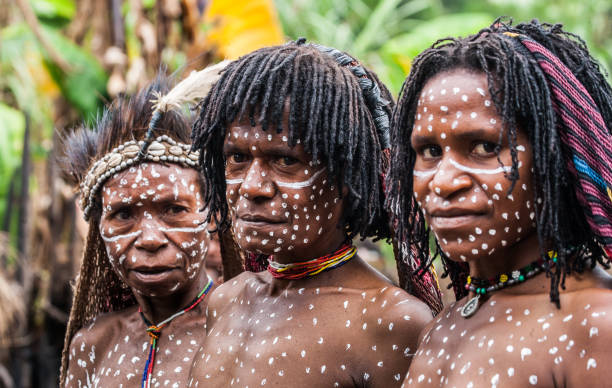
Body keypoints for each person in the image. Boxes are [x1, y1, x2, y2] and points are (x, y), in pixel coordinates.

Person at [186, 39, 439, 387]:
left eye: (286, 160)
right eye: (238, 158)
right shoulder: (227, 299)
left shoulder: (391, 321)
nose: (252, 187)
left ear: (347, 176)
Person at [385, 20, 612, 387]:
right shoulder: (444, 324)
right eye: (429, 151)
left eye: (485, 147)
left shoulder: (598, 326)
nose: (443, 181)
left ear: (558, 155)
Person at [58, 66, 234, 387]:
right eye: (124, 214)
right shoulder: (93, 346)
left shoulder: (249, 330)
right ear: (99, 229)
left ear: (210, 215)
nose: (150, 239)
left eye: (174, 209)